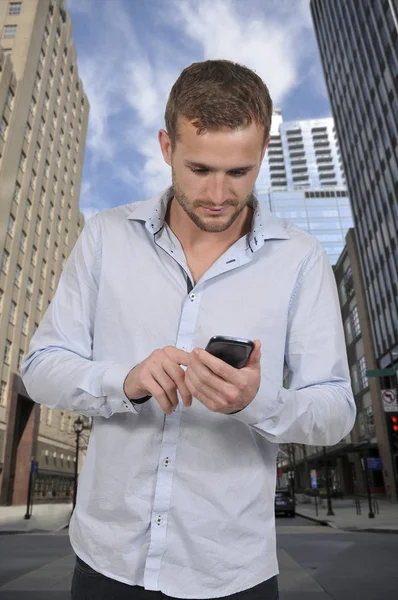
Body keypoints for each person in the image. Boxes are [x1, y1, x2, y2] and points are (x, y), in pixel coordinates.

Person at [21, 60, 356, 600]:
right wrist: (124, 380)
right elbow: (39, 369)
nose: (220, 193)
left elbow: (337, 409)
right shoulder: (106, 237)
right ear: (165, 147)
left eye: (240, 172)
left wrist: (256, 402)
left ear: (262, 155)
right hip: (107, 562)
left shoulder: (301, 260)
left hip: (229, 572)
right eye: (200, 169)